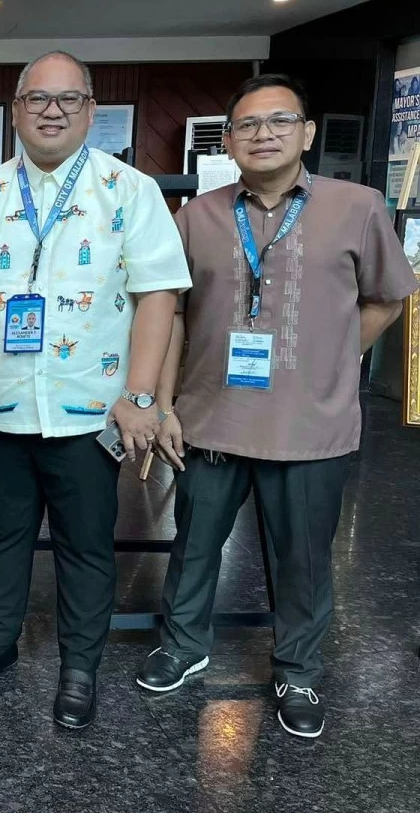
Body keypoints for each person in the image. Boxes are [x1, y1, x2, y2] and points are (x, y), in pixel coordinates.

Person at [140, 74, 418, 740]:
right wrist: (168, 402)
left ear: (308, 134)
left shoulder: (358, 207)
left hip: (310, 425)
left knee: (303, 556)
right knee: (194, 544)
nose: (263, 134)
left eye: (280, 122)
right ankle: (184, 647)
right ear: (229, 139)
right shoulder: (197, 215)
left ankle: (297, 668)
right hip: (209, 416)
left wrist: (336, 356)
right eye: (248, 125)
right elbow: (172, 312)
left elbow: (387, 297)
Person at [0, 50, 191, 728]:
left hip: (91, 410)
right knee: (1, 533)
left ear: (90, 111)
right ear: (15, 111)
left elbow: (158, 297)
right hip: (2, 407)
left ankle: (80, 665)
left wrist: (140, 397)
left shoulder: (129, 191)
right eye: (38, 99)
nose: (52, 111)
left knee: (85, 541)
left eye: (68, 99)